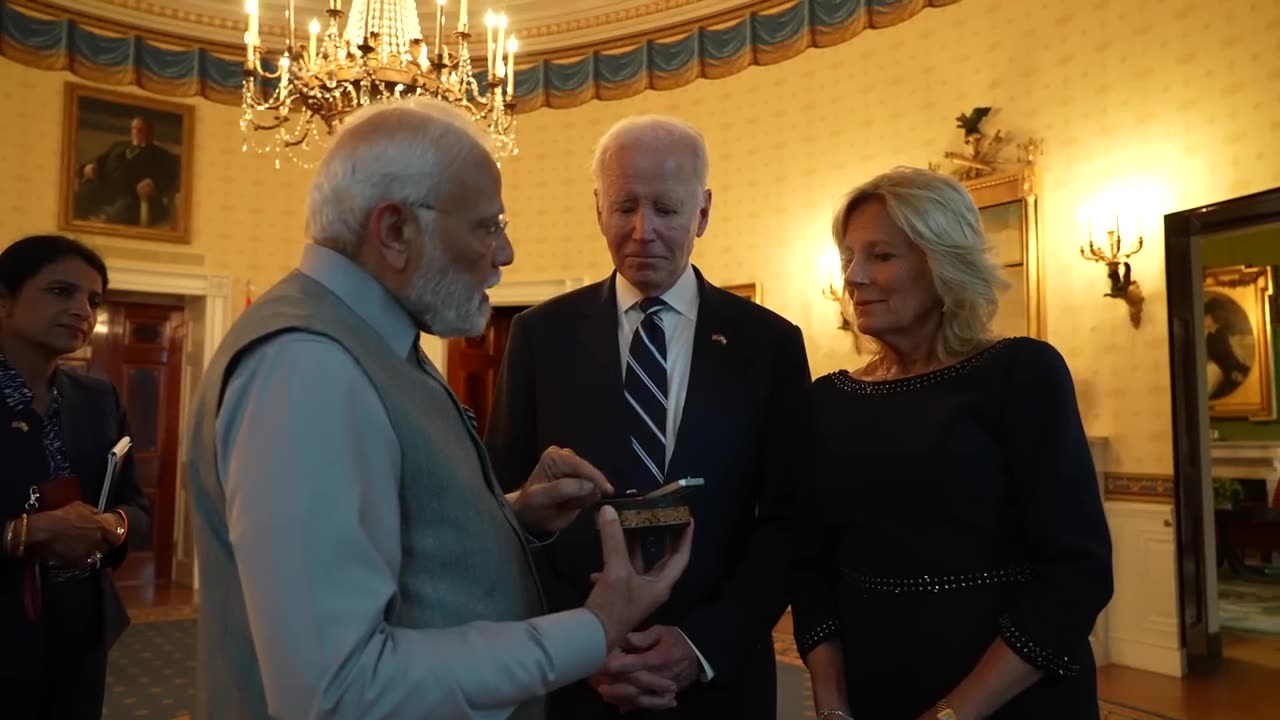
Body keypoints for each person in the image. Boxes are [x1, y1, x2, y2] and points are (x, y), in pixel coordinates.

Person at [184, 99, 693, 720]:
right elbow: (340, 690)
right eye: (488, 225)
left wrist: (513, 518)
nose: (504, 252)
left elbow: (384, 537)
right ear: (396, 230)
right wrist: (595, 627)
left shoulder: (370, 340)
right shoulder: (306, 367)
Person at [485, 115, 812, 718]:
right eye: (624, 206)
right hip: (572, 683)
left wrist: (700, 645)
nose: (643, 231)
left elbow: (791, 523)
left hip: (720, 683)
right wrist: (582, 644)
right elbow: (505, 514)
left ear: (703, 212)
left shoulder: (769, 345)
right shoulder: (539, 335)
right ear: (598, 208)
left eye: (666, 208)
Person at [789, 167, 1113, 720]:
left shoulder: (1021, 372)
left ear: (943, 263)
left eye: (881, 256)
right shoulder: (828, 399)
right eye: (848, 257)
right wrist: (832, 706)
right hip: (874, 694)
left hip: (1016, 700)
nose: (853, 277)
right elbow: (811, 569)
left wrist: (953, 714)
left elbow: (1078, 572)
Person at [0, 234, 152, 719]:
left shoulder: (98, 398)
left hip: (81, 631)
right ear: (4, 300)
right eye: (61, 292)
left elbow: (137, 508)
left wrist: (114, 527)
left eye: (94, 300)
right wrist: (25, 532)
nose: (83, 310)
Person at [73, 115, 179, 227]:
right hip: (105, 188)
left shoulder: (162, 155)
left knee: (117, 216)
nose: (136, 132)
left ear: (150, 132)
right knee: (77, 199)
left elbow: (170, 176)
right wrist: (86, 168)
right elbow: (99, 161)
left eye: (141, 130)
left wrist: (154, 185)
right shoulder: (118, 146)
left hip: (133, 197)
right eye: (134, 128)